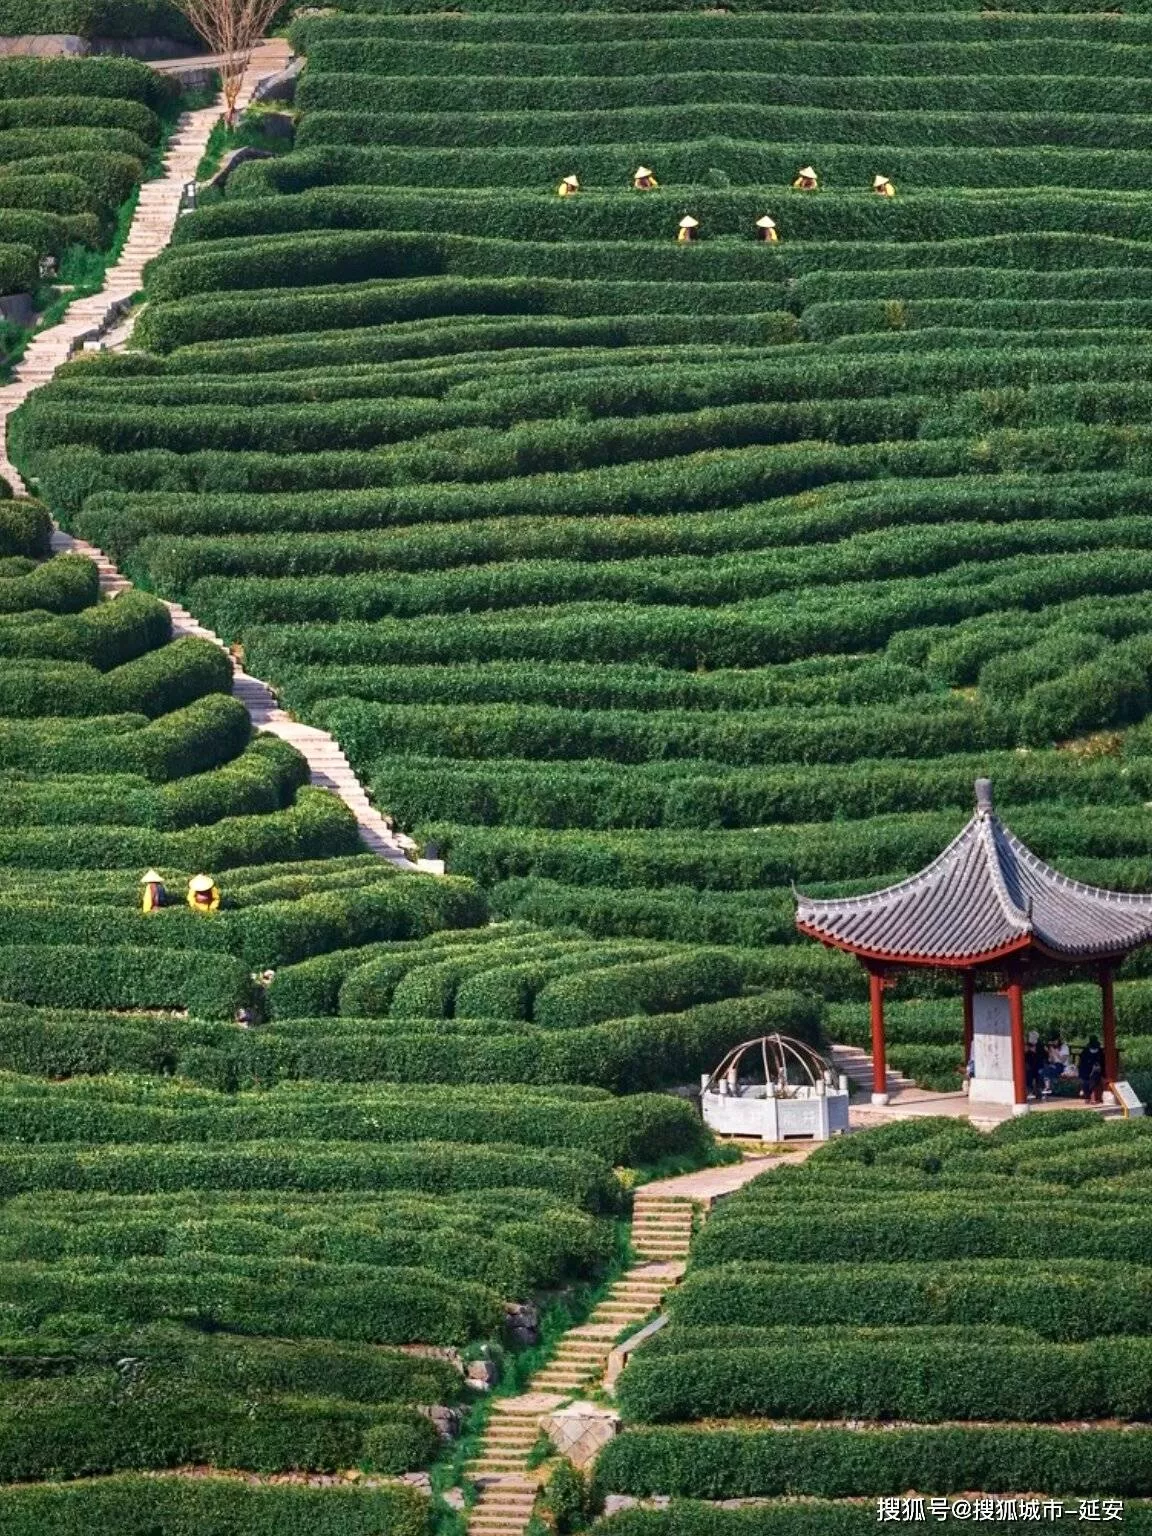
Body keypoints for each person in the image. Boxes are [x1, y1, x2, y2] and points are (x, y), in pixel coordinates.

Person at [1041, 1034, 1071, 1098]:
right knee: (1043, 1070)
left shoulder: (1064, 1047)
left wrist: (1055, 1051)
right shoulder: (1052, 1048)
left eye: (1055, 1041)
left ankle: (1048, 1088)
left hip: (1063, 1066)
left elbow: (1062, 1060)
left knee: (1048, 1070)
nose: (1054, 1043)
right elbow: (1051, 1060)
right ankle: (1047, 1088)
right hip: (1054, 1065)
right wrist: (1049, 1052)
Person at [1079, 1035, 1106, 1103]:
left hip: (1097, 1071)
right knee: (1084, 1079)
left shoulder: (1100, 1051)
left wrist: (1097, 1067)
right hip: (1086, 1070)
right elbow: (1082, 1063)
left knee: (1095, 1077)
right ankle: (1086, 1095)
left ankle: (1092, 1096)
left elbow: (1102, 1062)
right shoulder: (1085, 1051)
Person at [1025, 1029, 1047, 1102]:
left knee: (1040, 1073)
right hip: (1029, 1065)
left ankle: (1040, 1092)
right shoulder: (1027, 1044)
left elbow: (1043, 1055)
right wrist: (1027, 1050)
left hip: (1039, 1064)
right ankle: (1029, 1091)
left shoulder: (1040, 1045)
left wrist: (1034, 1050)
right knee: (1028, 1073)